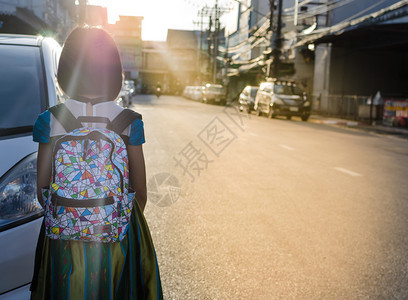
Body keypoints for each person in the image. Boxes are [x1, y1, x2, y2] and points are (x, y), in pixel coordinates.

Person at [30, 26, 163, 299]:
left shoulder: (50, 120)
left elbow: (43, 192)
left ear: (66, 71)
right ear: (114, 72)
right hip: (117, 235)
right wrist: (114, 221)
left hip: (64, 237)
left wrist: (74, 216)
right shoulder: (129, 122)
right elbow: (140, 192)